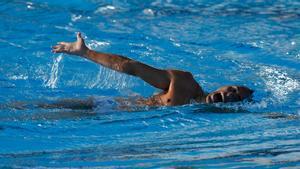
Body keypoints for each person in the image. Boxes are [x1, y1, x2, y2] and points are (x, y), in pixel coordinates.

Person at [51, 32, 253, 107]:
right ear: (224, 85)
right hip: (106, 107)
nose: (232, 95)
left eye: (238, 98)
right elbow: (133, 67)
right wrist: (86, 52)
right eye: (234, 89)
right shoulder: (184, 82)